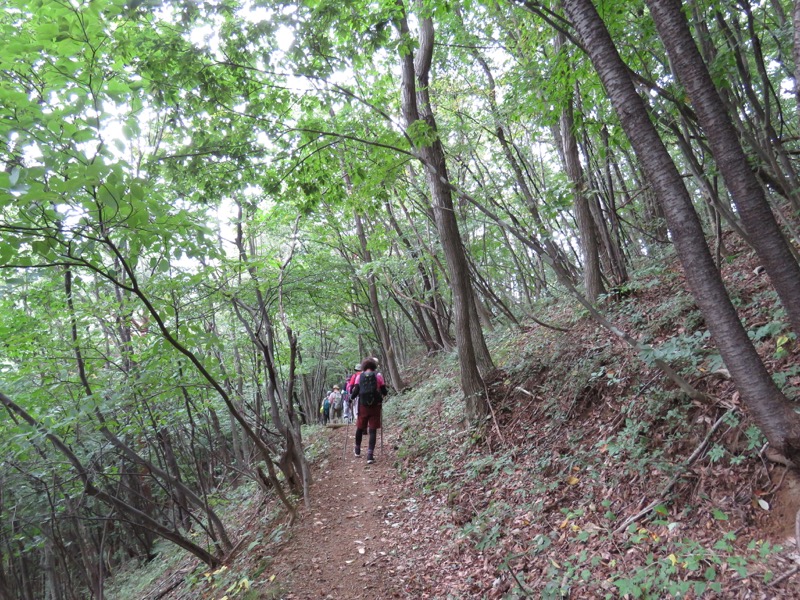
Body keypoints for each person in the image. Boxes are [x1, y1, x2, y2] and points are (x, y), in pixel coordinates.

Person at [350, 357, 388, 464]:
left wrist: (350, 399)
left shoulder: (359, 376)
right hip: (375, 406)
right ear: (374, 366)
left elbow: (356, 391)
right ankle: (370, 455)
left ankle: (357, 449)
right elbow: (384, 391)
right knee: (372, 430)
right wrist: (381, 396)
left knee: (360, 427)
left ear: (364, 366)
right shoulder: (378, 376)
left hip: (363, 406)